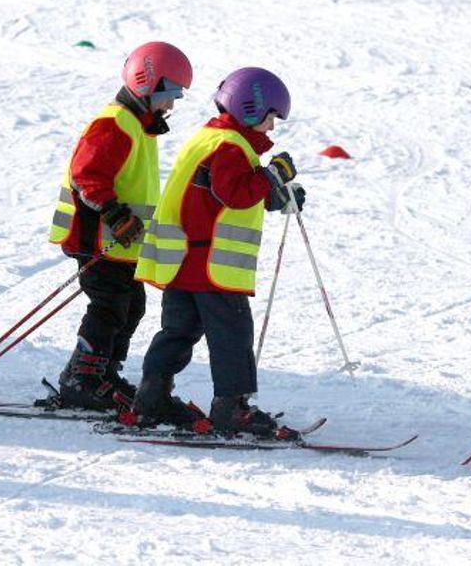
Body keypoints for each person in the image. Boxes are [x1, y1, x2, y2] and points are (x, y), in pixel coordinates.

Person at [128, 66, 306, 436]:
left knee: (178, 331)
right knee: (232, 335)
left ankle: (151, 396)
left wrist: (273, 194)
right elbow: (235, 194)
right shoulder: (230, 146)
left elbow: (218, 194)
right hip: (211, 265)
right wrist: (275, 174)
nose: (272, 128)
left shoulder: (209, 138)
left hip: (184, 261)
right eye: (271, 118)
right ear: (251, 109)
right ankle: (231, 408)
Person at [48, 41, 193, 411]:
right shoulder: (115, 124)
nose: (172, 105)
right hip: (97, 239)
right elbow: (87, 176)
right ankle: (82, 379)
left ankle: (104, 374)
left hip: (121, 244)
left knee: (131, 307)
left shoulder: (138, 126)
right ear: (146, 84)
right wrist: (116, 214)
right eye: (169, 94)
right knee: (109, 307)